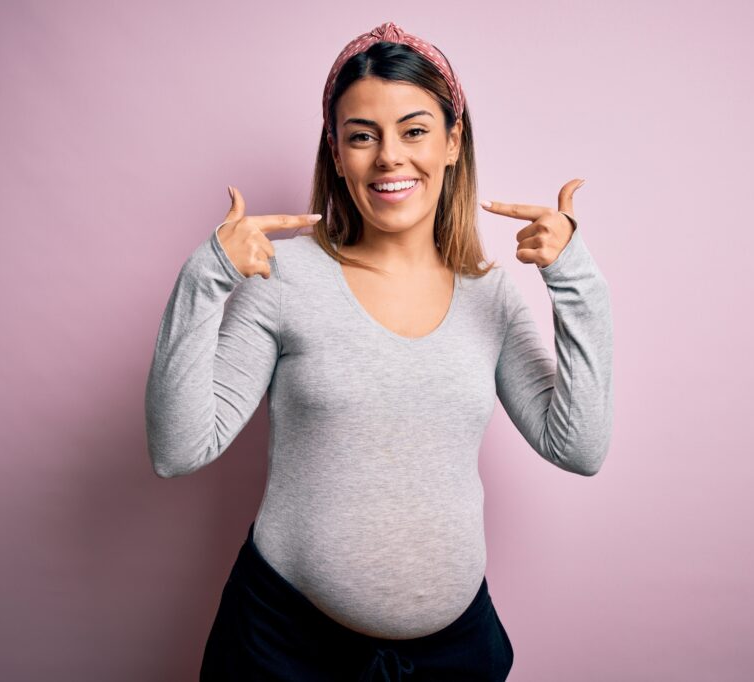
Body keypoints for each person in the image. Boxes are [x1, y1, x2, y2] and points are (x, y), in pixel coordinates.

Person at [144, 21, 614, 682]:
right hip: (285, 649)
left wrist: (577, 282)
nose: (390, 156)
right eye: (362, 136)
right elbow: (177, 450)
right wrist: (206, 277)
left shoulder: (492, 296)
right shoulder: (284, 279)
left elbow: (579, 447)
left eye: (415, 130)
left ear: (453, 142)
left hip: (454, 657)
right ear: (336, 154)